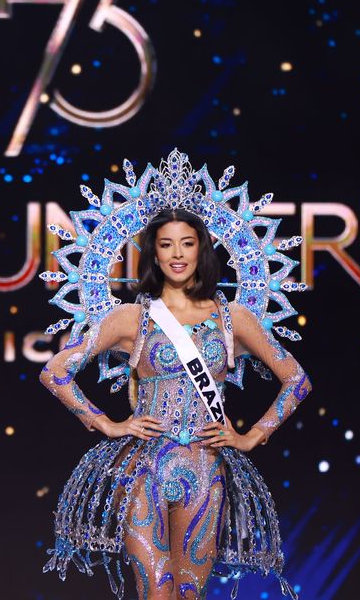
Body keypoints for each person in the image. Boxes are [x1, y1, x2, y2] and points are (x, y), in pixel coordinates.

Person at [40, 206, 312, 600]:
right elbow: (55, 372)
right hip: (145, 466)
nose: (178, 254)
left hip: (206, 469)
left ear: (203, 249)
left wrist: (254, 435)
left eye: (187, 243)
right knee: (155, 593)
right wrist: (105, 423)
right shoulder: (129, 318)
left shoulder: (232, 318)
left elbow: (297, 380)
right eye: (166, 245)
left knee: (188, 595)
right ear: (154, 254)